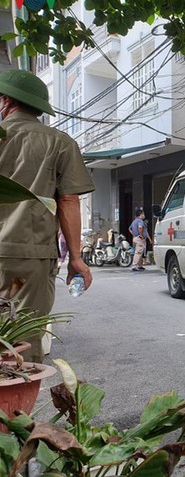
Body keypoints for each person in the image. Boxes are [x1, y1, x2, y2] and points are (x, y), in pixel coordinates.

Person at [0, 69, 94, 363]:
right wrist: (76, 258)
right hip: (32, 255)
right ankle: (17, 408)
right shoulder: (59, 142)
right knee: (24, 337)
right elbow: (68, 200)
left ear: (6, 101)